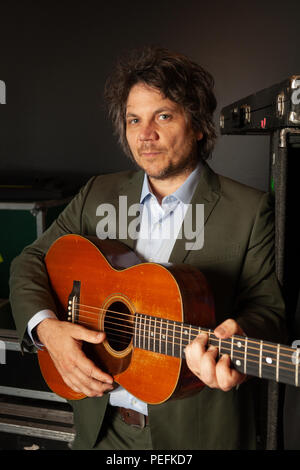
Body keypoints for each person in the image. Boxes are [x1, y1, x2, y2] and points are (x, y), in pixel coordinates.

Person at [9, 46, 286, 450]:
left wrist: (240, 335)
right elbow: (28, 262)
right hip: (100, 429)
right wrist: (47, 330)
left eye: (163, 116)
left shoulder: (249, 209)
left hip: (193, 434)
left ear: (198, 127)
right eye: (134, 120)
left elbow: (270, 311)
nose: (145, 135)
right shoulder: (97, 193)